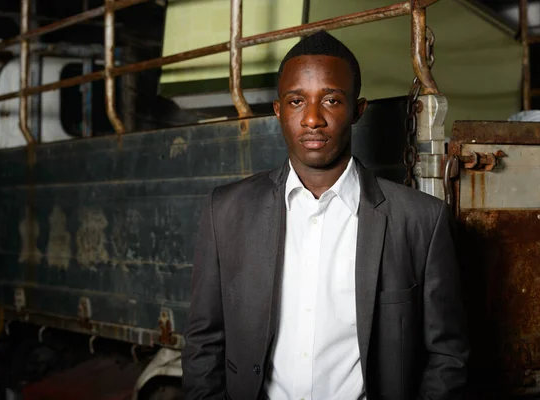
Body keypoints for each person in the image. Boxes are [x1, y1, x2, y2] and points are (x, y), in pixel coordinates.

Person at [182, 30, 469, 400]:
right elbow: (203, 341)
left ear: (357, 110)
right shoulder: (226, 210)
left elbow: (447, 354)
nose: (313, 119)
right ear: (278, 110)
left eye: (331, 100)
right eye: (297, 101)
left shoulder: (420, 221)